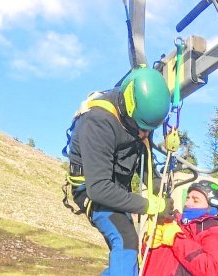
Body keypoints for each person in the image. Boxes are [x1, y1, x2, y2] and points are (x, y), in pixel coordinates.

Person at [66, 65, 174, 276]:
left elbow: (144, 158)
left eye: (148, 130)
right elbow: (99, 189)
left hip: (117, 187)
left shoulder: (140, 116)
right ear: (128, 109)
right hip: (93, 190)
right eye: (142, 128)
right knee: (126, 239)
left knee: (128, 256)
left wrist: (158, 187)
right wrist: (149, 205)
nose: (145, 134)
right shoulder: (98, 122)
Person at [142, 180, 218, 276]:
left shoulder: (215, 231)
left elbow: (209, 269)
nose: (187, 203)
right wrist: (147, 244)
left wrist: (176, 240)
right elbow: (147, 262)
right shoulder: (172, 222)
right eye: (187, 198)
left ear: (213, 208)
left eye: (195, 200)